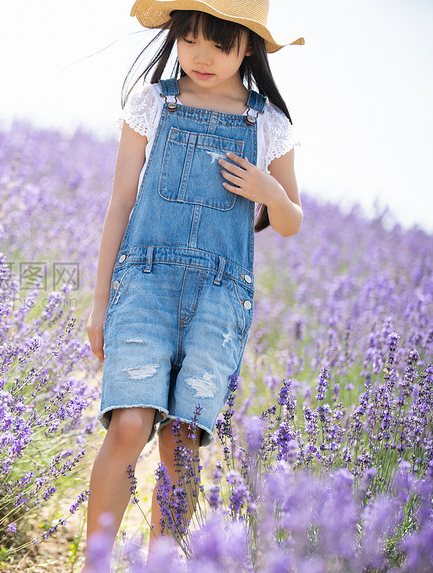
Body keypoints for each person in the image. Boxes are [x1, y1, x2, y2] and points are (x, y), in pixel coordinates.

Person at [83, 0, 303, 568]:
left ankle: (158, 562)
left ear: (248, 47)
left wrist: (269, 193)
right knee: (130, 422)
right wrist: (100, 299)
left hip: (220, 299)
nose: (201, 56)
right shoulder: (154, 102)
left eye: (219, 44)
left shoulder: (269, 124)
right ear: (176, 36)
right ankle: (97, 562)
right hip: (145, 282)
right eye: (191, 40)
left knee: (182, 439)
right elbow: (120, 203)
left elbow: (291, 220)